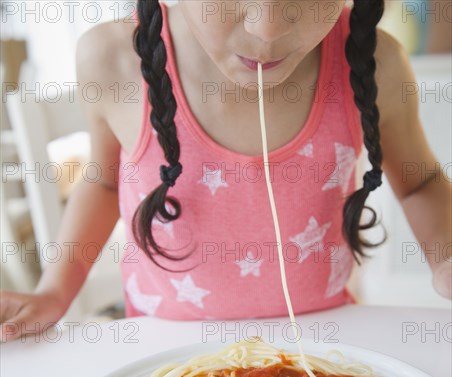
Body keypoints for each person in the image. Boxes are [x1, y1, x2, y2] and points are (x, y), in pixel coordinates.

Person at [0, 0, 450, 341]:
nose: (267, 28)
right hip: (161, 356)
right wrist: (54, 291)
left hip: (319, 349)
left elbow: (421, 181)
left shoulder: (374, 64)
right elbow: (103, 181)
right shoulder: (113, 60)